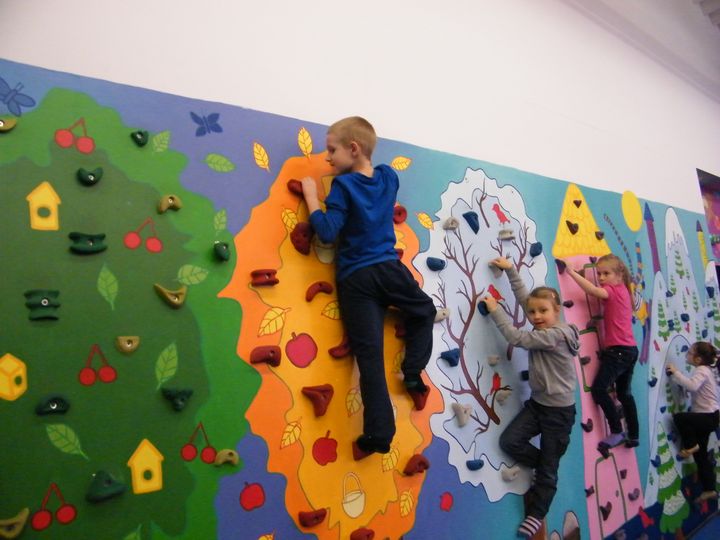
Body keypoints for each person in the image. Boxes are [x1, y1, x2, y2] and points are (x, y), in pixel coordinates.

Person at [300, 116, 436, 459]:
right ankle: (412, 372)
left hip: (356, 281)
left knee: (369, 357)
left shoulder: (343, 186)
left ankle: (378, 435)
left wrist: (312, 198)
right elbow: (377, 190)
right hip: (388, 270)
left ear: (353, 148)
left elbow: (327, 231)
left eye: (332, 150)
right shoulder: (389, 177)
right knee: (425, 310)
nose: (328, 158)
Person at [483, 257, 579, 539]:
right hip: (538, 406)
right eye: (533, 312)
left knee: (548, 472)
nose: (536, 316)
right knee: (510, 442)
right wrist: (510, 270)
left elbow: (517, 338)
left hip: (558, 413)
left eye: (543, 311)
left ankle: (537, 514)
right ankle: (546, 463)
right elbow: (526, 299)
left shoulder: (553, 337)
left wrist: (495, 311)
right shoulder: (543, 326)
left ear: (557, 311)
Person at [563, 254, 640, 451]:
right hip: (630, 350)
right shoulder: (624, 290)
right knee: (624, 394)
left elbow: (592, 290)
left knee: (599, 389)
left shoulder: (612, 291)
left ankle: (617, 430)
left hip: (619, 352)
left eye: (606, 273)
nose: (601, 278)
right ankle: (634, 434)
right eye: (599, 274)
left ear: (619, 275)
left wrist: (571, 271)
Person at [667, 341, 720, 503]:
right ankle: (709, 489)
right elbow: (695, 389)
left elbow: (693, 386)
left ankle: (691, 445)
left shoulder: (702, 370)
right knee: (701, 457)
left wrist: (675, 373)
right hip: (709, 417)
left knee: (680, 418)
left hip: (708, 416)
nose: (686, 355)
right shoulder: (706, 370)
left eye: (689, 353)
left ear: (698, 359)